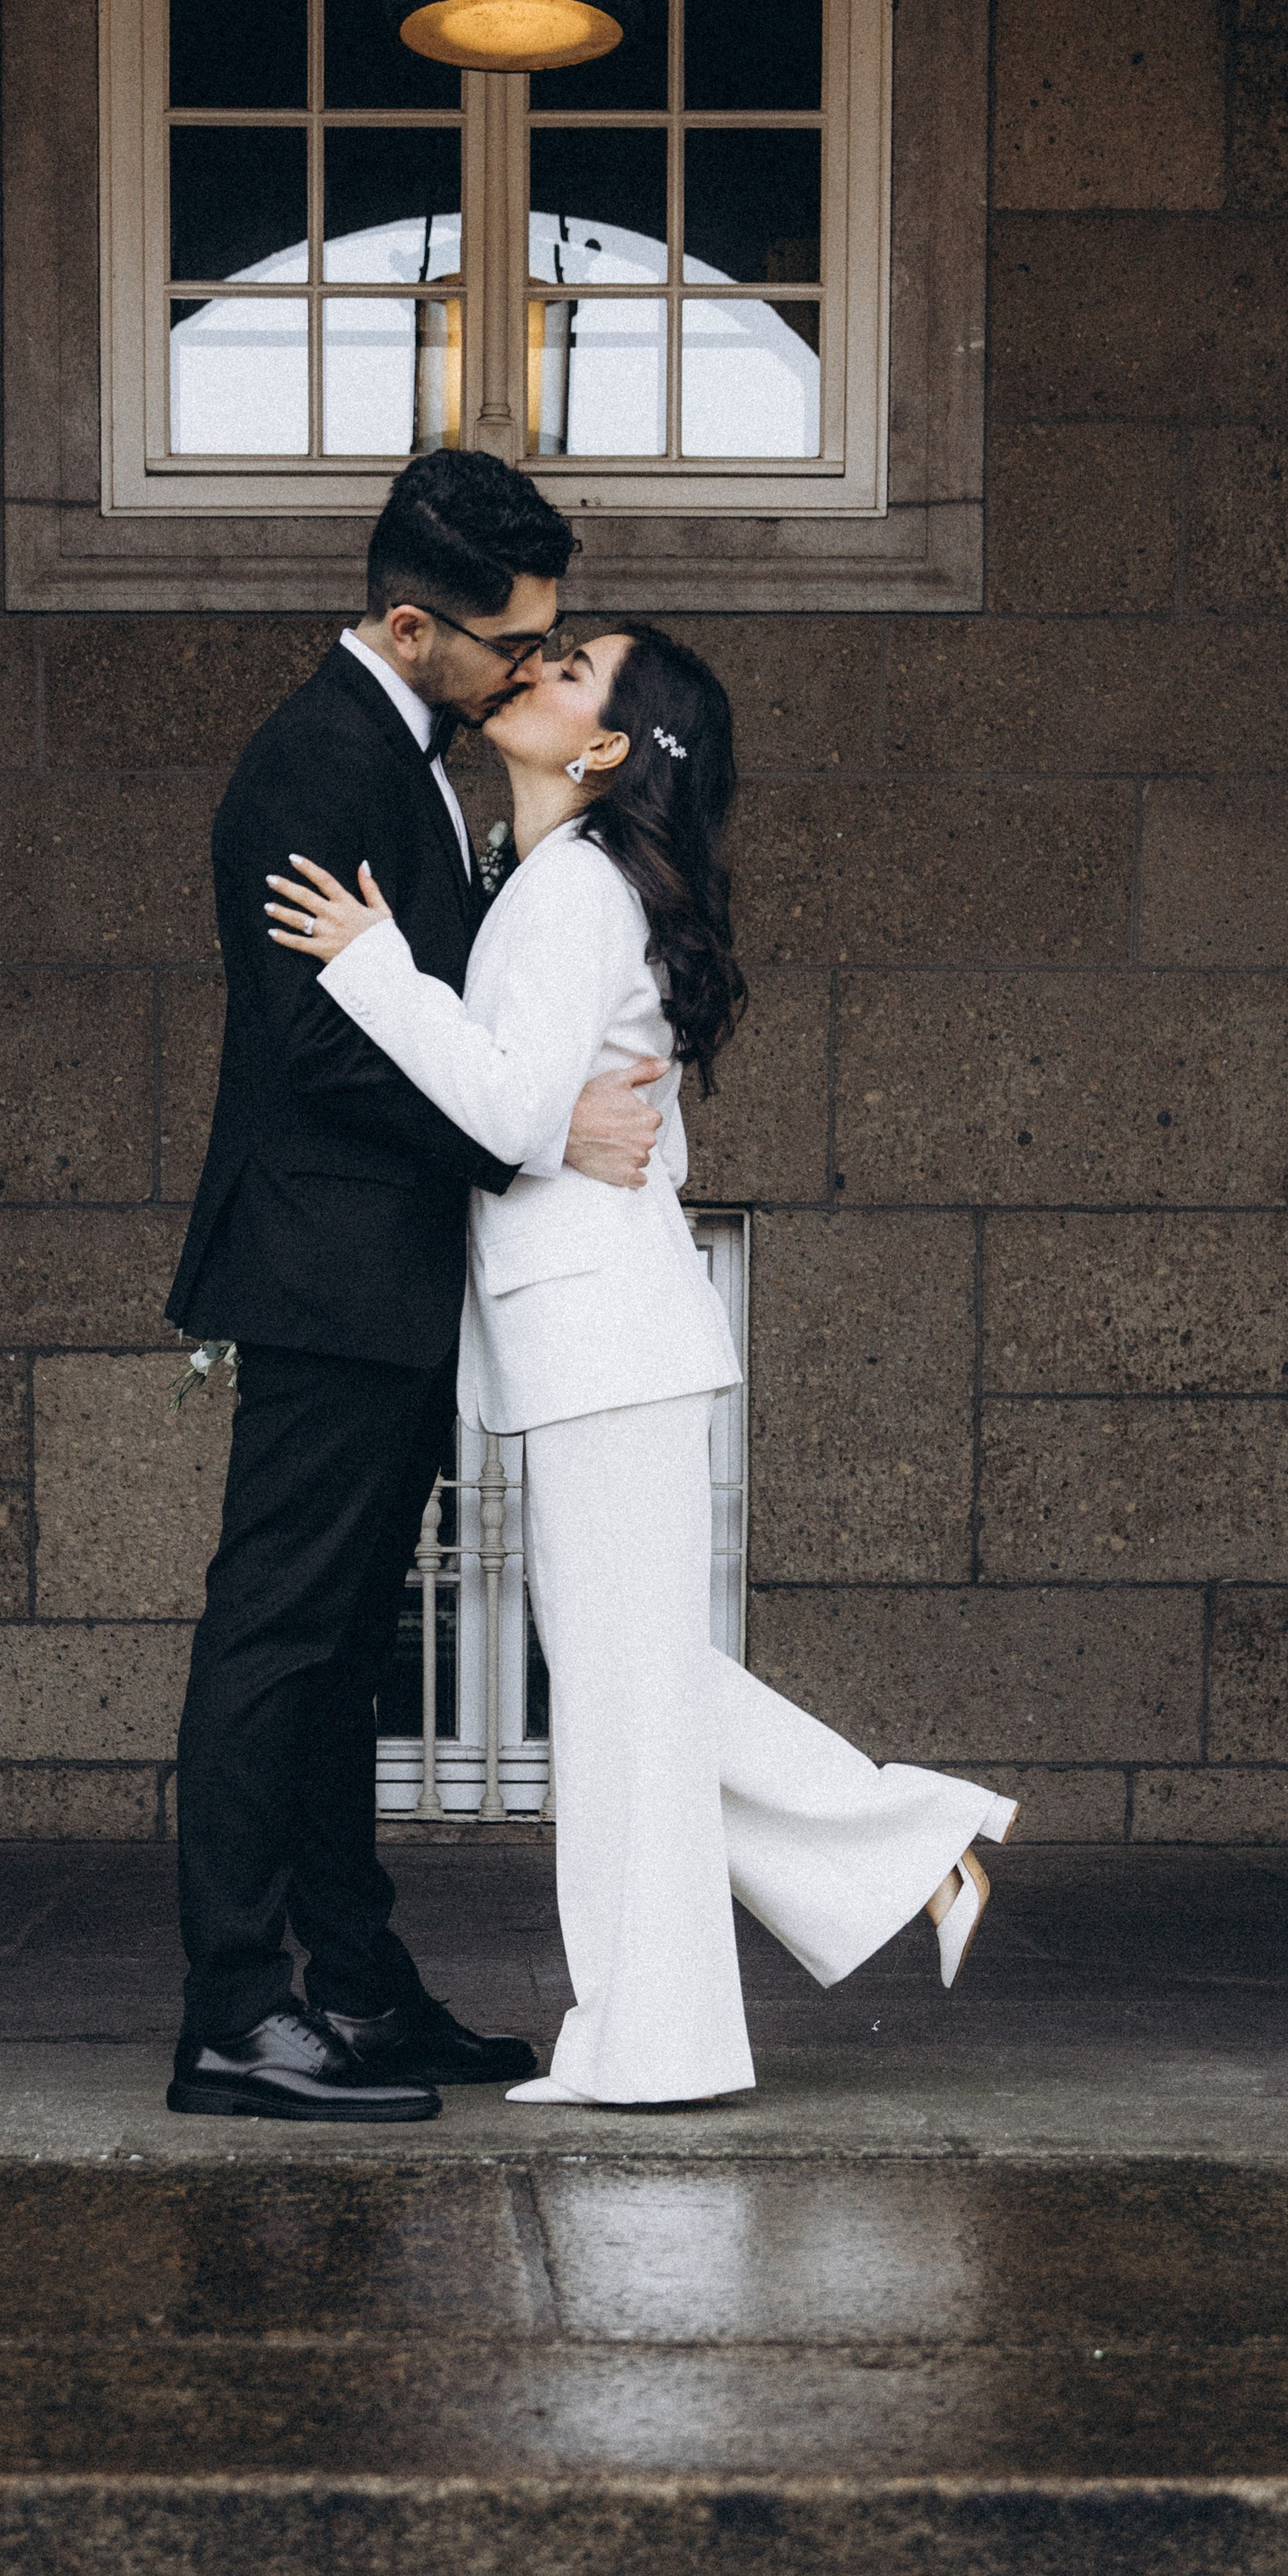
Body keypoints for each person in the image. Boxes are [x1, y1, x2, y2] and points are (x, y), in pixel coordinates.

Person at [268, 621, 1018, 2107]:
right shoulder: (569, 881)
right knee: (637, 1691)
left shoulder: (572, 890)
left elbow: (502, 1107)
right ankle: (866, 1888)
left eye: (570, 671)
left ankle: (669, 2031)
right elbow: (593, 1119)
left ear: (606, 747)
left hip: (603, 1343)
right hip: (603, 1339)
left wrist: (373, 968)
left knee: (626, 1705)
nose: (534, 668)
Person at [164, 450, 669, 2124]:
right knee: (275, 1640)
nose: (530, 671)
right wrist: (534, 1133)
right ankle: (238, 2013)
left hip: (381, 1274)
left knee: (338, 1655)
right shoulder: (311, 764)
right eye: (510, 646)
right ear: (408, 625)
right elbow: (317, 1046)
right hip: (322, 1267)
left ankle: (361, 1990)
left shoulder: (408, 757)